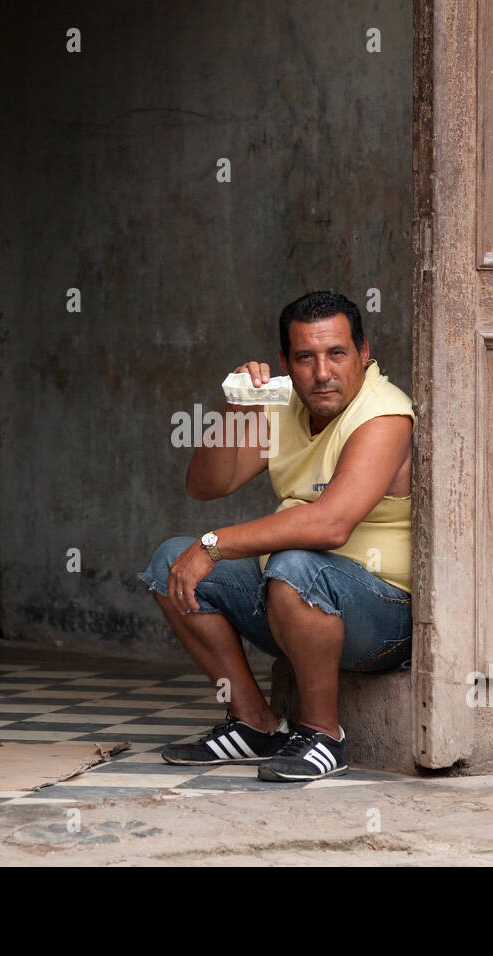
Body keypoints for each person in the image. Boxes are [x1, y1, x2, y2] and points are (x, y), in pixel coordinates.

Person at [137, 290, 416, 781]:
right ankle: (255, 724)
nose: (322, 372)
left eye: (337, 354)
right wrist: (241, 406)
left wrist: (215, 545)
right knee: (170, 562)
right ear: (285, 362)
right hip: (293, 597)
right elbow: (205, 485)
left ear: (364, 354)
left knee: (294, 565)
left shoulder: (384, 414)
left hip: (382, 616)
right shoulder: (283, 402)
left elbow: (331, 524)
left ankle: (325, 735)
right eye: (305, 358)